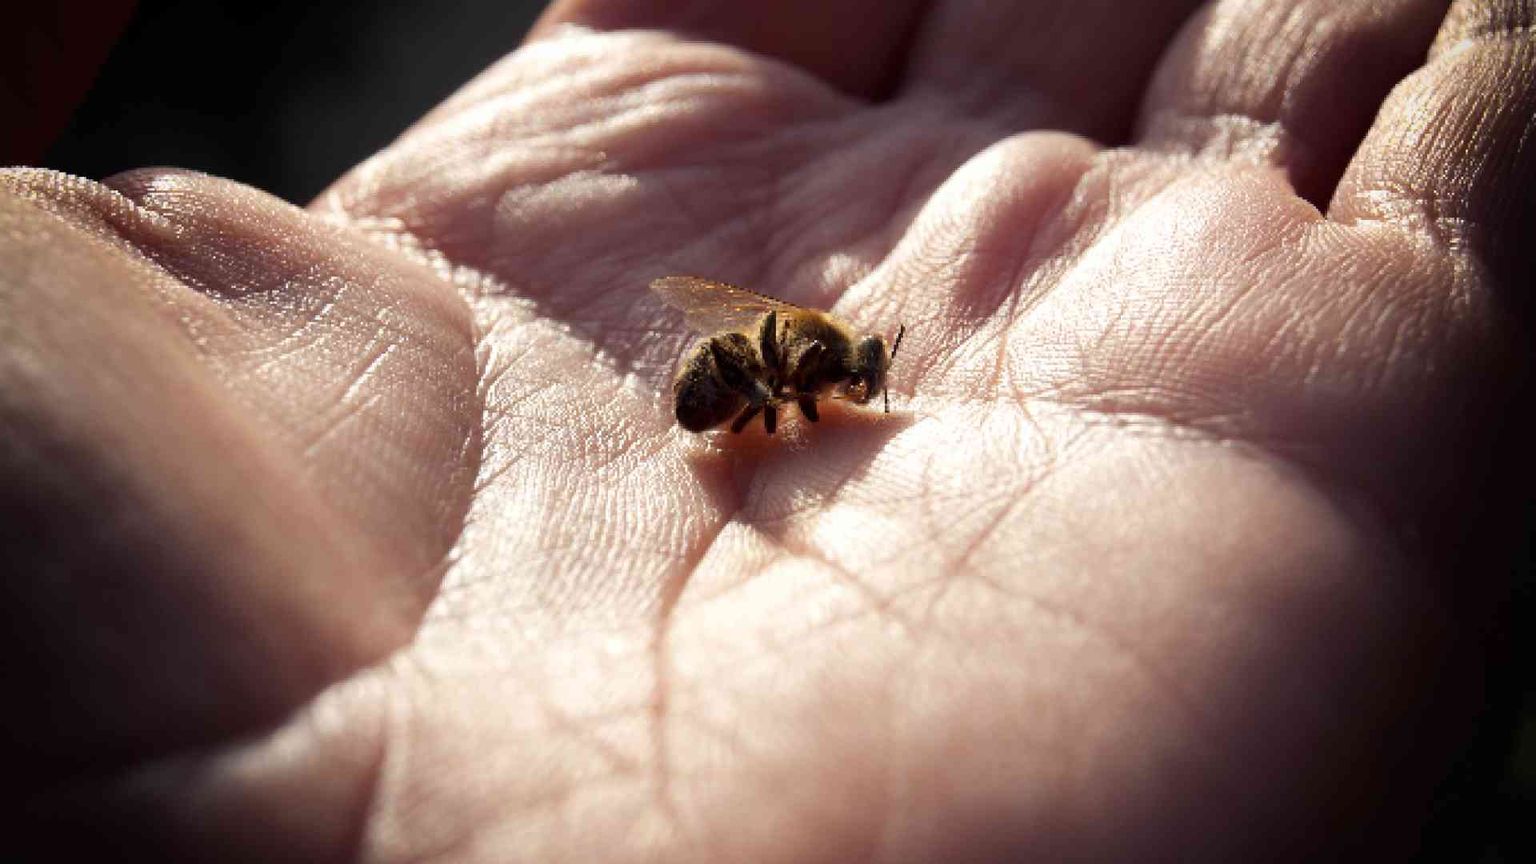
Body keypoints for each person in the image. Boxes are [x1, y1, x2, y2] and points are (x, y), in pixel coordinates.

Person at [3, 0, 1531, 858]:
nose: (853, 396)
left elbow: (782, 365)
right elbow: (779, 397)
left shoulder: (810, 356)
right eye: (847, 383)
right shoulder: (795, 387)